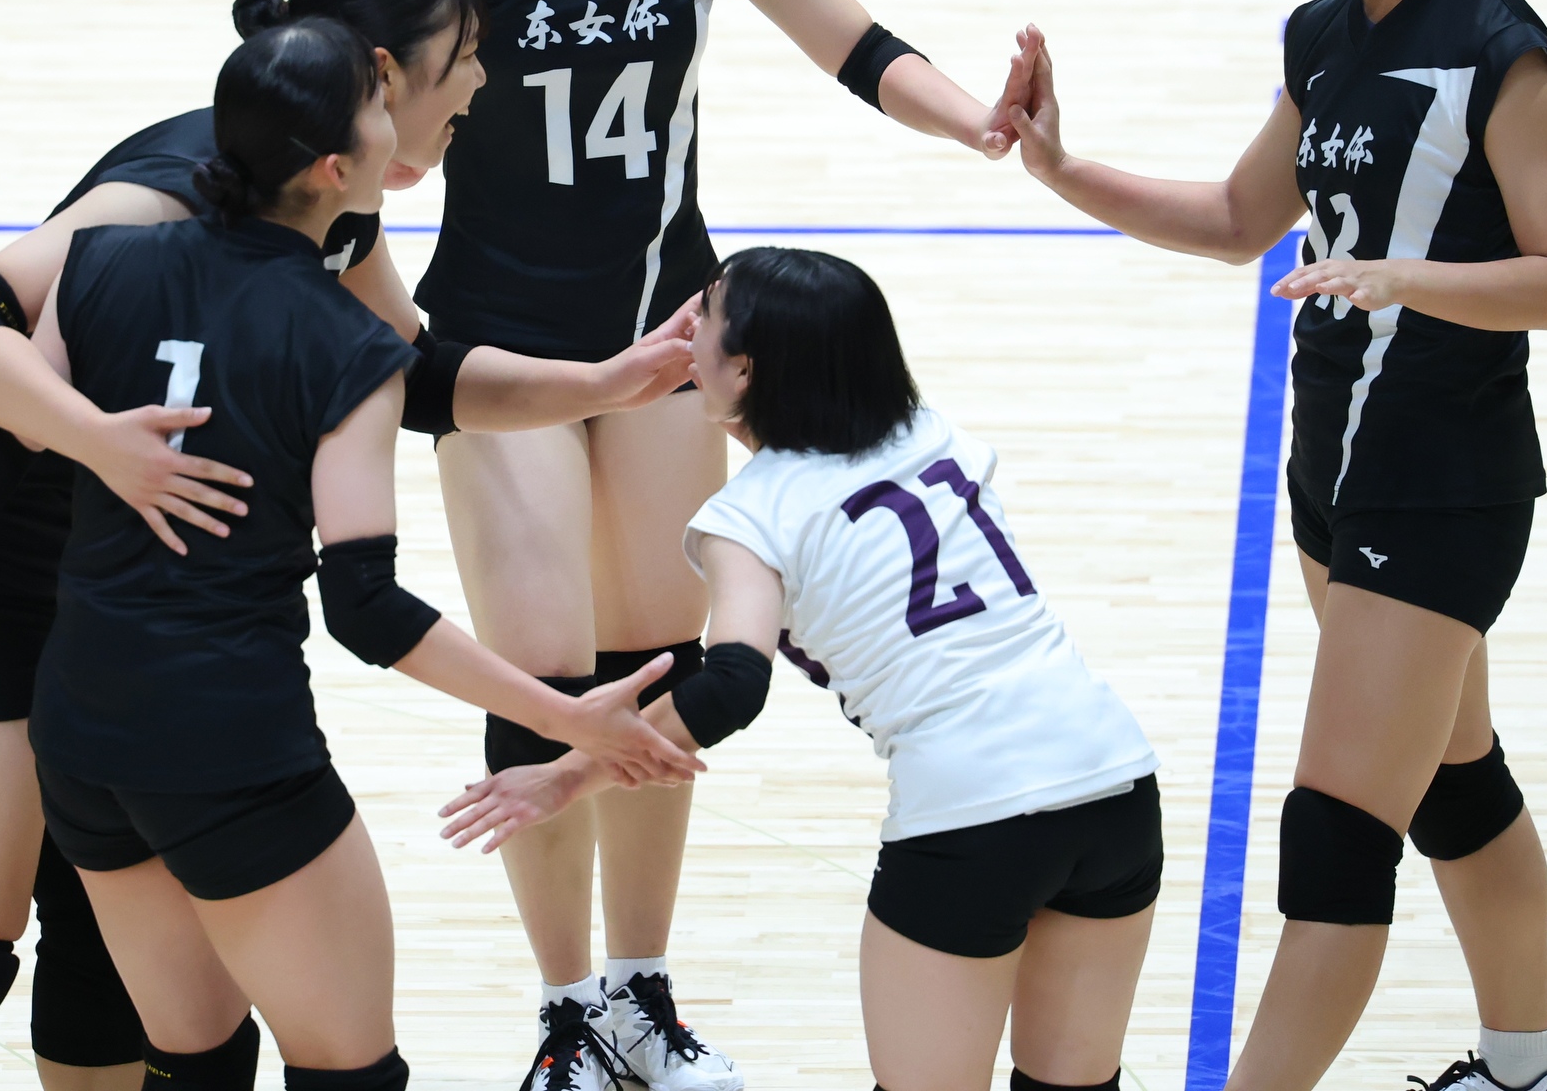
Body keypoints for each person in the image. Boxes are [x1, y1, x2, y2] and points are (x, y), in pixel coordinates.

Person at [0, 0, 696, 1090]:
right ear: (378, 81)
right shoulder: (160, 202)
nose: (483, 83)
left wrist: (598, 384)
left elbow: (410, 373)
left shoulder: (327, 210)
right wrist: (80, 446)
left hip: (116, 603)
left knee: (112, 970)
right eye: (465, 58)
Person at [379, 0, 1031, 1091]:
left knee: (653, 664)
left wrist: (974, 118)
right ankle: (564, 1014)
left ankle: (639, 990)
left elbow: (852, 39)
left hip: (673, 329)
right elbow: (362, 93)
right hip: (498, 345)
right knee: (546, 671)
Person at [1002, 0, 1547, 1091]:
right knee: (1457, 784)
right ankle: (1527, 1070)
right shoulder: (1324, 37)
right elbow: (1235, 217)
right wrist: (1063, 169)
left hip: (1441, 484)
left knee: (1336, 839)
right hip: (1332, 474)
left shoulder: (1505, 58)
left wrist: (1404, 277)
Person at [438, 247, 1162, 1091]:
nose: (685, 330)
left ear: (744, 369)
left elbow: (732, 686)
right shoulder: (933, 433)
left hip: (971, 819)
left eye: (704, 316)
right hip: (1116, 785)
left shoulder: (751, 516)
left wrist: (566, 776)